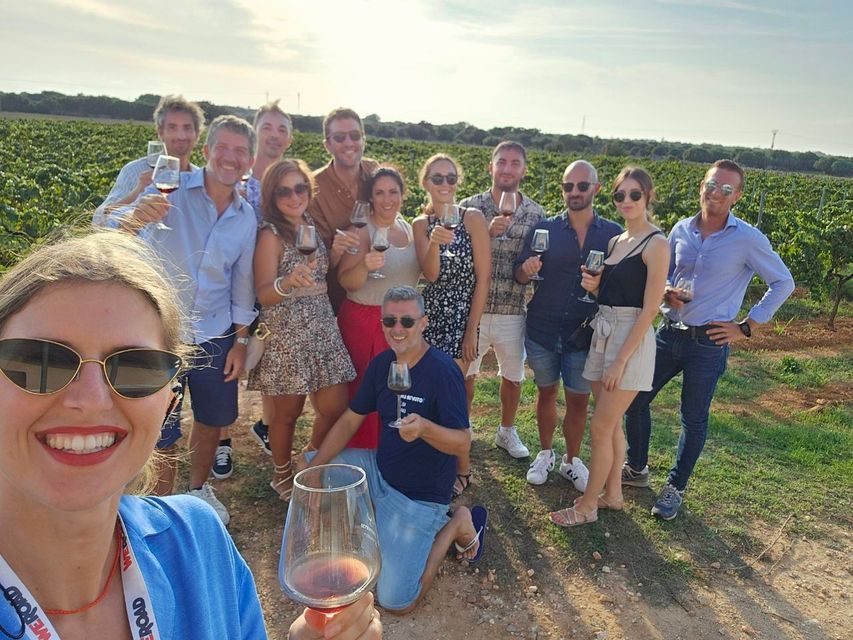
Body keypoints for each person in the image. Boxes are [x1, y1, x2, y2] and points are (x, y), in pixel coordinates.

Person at [0, 231, 381, 640]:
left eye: (137, 366)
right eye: (41, 363)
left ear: (169, 400)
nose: (90, 401)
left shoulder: (199, 541)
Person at [623, 159, 795, 520]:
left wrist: (746, 326)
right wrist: (666, 292)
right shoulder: (681, 230)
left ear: (737, 196)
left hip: (708, 343)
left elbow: (783, 282)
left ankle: (675, 487)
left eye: (726, 189)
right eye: (712, 185)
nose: (717, 193)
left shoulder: (748, 238)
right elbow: (665, 275)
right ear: (702, 186)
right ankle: (636, 468)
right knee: (634, 400)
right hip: (669, 333)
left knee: (693, 418)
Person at [110, 115, 258, 524]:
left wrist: (241, 341)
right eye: (222, 147)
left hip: (216, 332)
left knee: (212, 418)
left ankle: (197, 491)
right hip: (163, 330)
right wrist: (134, 217)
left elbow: (242, 282)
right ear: (207, 151)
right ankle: (160, 508)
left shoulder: (246, 216)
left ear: (249, 161)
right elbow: (110, 228)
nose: (230, 158)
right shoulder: (170, 188)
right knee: (163, 427)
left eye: (240, 152)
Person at [306, 286, 481, 614]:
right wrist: (314, 466)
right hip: (381, 472)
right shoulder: (383, 364)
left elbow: (462, 441)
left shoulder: (443, 372)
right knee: (320, 470)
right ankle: (369, 533)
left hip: (420, 496)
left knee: (396, 602)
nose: (398, 329)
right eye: (390, 321)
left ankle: (455, 523)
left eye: (407, 321)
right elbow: (350, 420)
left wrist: (425, 429)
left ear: (423, 323)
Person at [548, 167, 669, 527]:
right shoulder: (617, 242)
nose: (626, 201)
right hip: (604, 331)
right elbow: (614, 294)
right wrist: (596, 288)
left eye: (634, 194)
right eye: (620, 195)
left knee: (600, 427)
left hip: (630, 339)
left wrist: (620, 361)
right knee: (611, 425)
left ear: (648, 196)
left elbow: (649, 309)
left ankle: (587, 507)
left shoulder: (656, 244)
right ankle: (613, 494)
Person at [247, 159, 355, 500]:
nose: (294, 196)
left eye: (300, 188)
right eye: (284, 191)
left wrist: (335, 254)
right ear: (272, 195)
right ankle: (281, 474)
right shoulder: (270, 234)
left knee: (335, 407)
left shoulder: (309, 222)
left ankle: (307, 459)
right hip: (287, 332)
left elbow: (318, 272)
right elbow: (264, 292)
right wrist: (287, 282)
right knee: (287, 414)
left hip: (322, 326)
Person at [515, 160, 622, 489]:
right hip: (542, 329)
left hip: (584, 333)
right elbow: (519, 273)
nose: (574, 192)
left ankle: (571, 461)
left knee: (578, 400)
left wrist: (600, 288)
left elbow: (621, 285)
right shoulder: (545, 229)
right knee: (546, 393)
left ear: (596, 189)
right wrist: (526, 270)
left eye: (582, 186)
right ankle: (545, 452)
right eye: (568, 186)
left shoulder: (613, 234)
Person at [459, 141, 545, 464]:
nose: (508, 169)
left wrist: (532, 269)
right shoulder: (469, 208)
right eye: (502, 162)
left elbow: (539, 259)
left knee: (513, 376)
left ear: (524, 170)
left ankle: (506, 430)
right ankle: (464, 426)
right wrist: (486, 233)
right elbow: (457, 256)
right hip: (474, 310)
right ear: (490, 167)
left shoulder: (536, 213)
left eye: (515, 163)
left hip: (514, 309)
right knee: (466, 373)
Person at [412, 154, 490, 499]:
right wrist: (434, 242)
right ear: (425, 183)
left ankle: (462, 469)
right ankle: (434, 461)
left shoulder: (472, 218)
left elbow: (483, 278)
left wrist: (471, 331)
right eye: (437, 178)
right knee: (427, 394)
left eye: (451, 178)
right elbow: (430, 275)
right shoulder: (420, 224)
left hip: (461, 319)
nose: (445, 184)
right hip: (430, 319)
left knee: (453, 397)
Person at [335, 167, 421, 451]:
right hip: (365, 323)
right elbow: (346, 280)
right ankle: (362, 454)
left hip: (400, 326)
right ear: (370, 197)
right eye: (380, 193)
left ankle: (390, 450)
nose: (387, 199)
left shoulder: (409, 228)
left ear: (403, 194)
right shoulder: (361, 230)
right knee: (364, 392)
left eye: (393, 192)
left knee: (396, 390)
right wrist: (364, 265)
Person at [244, 100, 295, 460]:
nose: (274, 135)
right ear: (255, 132)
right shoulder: (238, 179)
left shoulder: (289, 184)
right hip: (234, 283)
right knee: (228, 362)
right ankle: (222, 441)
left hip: (273, 285)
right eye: (267, 127)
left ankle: (265, 424)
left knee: (269, 357)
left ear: (289, 139)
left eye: (282, 130)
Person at [307, 107, 379, 312]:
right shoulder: (313, 188)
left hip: (377, 290)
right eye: (339, 137)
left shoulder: (373, 170)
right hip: (337, 300)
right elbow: (317, 261)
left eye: (355, 135)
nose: (349, 143)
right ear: (328, 145)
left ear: (363, 139)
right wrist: (336, 249)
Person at [93, 94, 204, 225]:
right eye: (172, 127)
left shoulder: (201, 181)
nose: (181, 136)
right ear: (161, 132)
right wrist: (137, 193)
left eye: (187, 128)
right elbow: (99, 222)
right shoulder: (134, 171)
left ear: (197, 134)